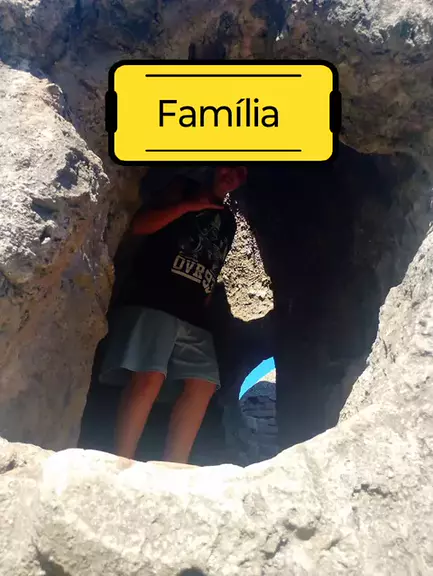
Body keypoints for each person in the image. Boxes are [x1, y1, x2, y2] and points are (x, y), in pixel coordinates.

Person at [99, 166, 247, 463]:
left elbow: (213, 265)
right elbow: (140, 225)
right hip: (154, 299)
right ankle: (121, 462)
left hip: (194, 315)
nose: (233, 174)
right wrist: (188, 207)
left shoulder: (229, 222)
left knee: (203, 383)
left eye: (242, 171)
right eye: (229, 165)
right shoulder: (183, 187)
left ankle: (175, 467)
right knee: (149, 377)